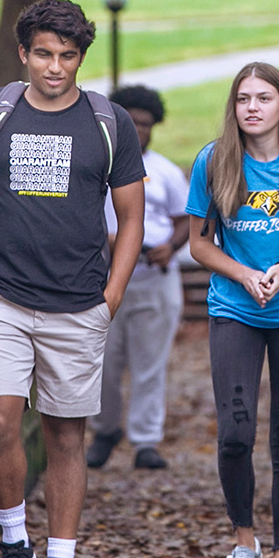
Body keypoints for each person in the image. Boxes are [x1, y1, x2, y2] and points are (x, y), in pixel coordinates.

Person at [0, 0, 146, 558]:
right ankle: (12, 544)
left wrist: (110, 299)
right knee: (0, 420)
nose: (56, 68)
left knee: (65, 436)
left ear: (81, 58)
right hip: (0, 291)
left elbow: (130, 219)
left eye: (69, 56)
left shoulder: (108, 122)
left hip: (79, 302)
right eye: (45, 54)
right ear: (24, 52)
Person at [184, 62, 279, 558]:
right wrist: (242, 274)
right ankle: (245, 544)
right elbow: (198, 243)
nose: (253, 107)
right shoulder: (214, 161)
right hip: (235, 309)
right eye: (243, 99)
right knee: (236, 435)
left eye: (264, 97)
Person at [87, 85, 192, 470]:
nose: (139, 130)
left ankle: (146, 440)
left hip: (156, 276)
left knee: (151, 362)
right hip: (105, 277)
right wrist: (109, 240)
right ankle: (104, 429)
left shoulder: (164, 171)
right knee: (104, 362)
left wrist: (171, 246)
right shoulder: (98, 167)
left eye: (146, 124)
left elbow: (185, 220)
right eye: (132, 122)